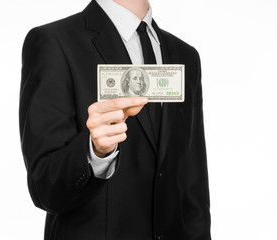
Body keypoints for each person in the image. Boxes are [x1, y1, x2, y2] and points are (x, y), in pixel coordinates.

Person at [19, 0, 211, 239]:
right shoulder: (54, 41)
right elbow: (43, 187)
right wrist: (93, 152)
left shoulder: (186, 56)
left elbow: (193, 185)